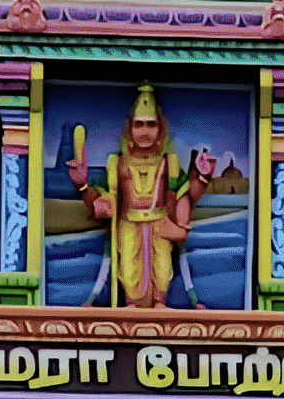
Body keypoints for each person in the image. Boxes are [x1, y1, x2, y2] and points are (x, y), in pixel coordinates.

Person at [65, 82, 217, 309]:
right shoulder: (117, 164)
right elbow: (100, 203)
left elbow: (187, 195)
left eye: (150, 125)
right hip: (128, 226)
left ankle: (160, 303)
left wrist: (202, 178)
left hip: (160, 225)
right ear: (130, 129)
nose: (144, 132)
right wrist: (82, 185)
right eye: (139, 125)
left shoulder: (169, 163)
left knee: (163, 268)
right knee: (128, 271)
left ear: (159, 131)